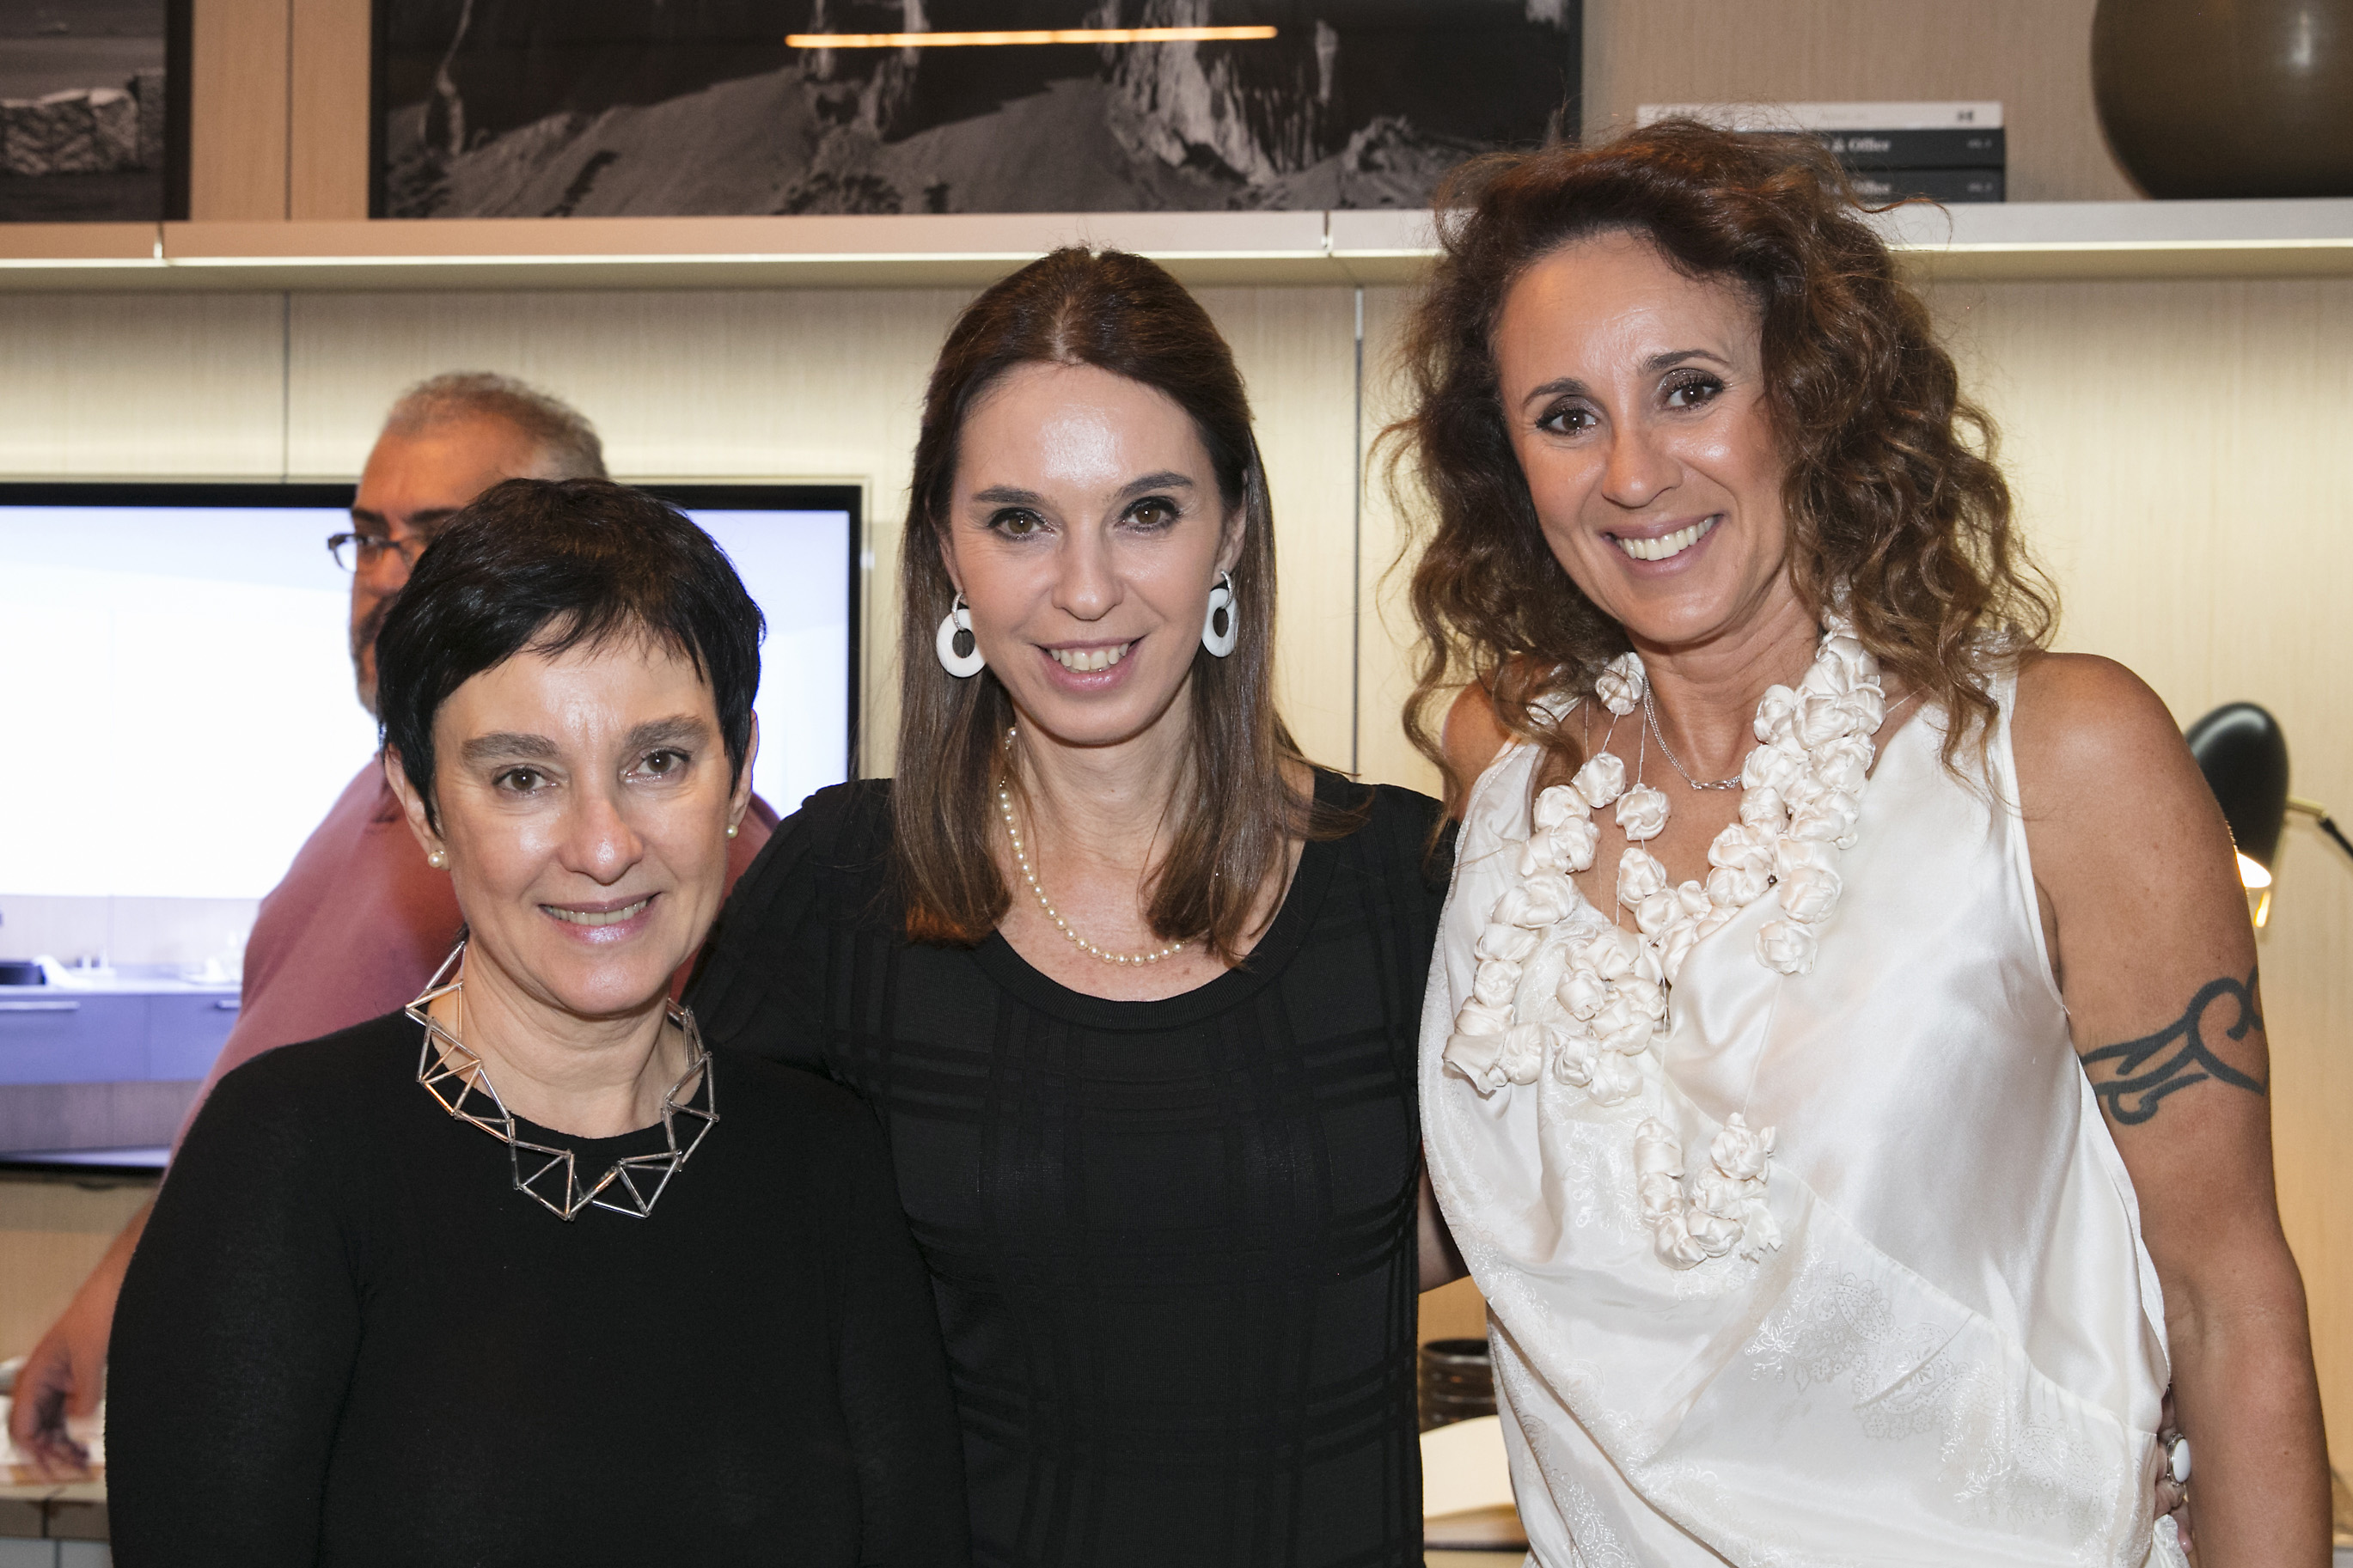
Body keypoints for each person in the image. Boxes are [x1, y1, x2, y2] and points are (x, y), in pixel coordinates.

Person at [1397, 121, 2329, 1565]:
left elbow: (2228, 1298)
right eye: (1563, 416)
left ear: (1808, 400)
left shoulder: (2057, 758)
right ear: (1505, 459)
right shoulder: (1508, 791)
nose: (1631, 472)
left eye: (1689, 389)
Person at [688, 247, 1458, 1568]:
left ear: (1232, 530)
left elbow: (1561, 1231)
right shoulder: (842, 887)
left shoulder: (1412, 881)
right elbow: (679, 1286)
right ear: (945, 548)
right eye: (1019, 519)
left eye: (1146, 511)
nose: (1085, 589)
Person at [106, 480, 969, 1567]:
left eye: (659, 761)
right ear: (419, 803)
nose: (603, 846)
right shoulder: (290, 1156)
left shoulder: (826, 1159)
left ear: (741, 767)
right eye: (523, 777)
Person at [5, 372, 777, 1474]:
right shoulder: (363, 810)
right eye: (368, 537)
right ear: (422, 798)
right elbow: (266, 1102)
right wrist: (119, 1289)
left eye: (439, 537)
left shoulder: (682, 871)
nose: (383, 580)